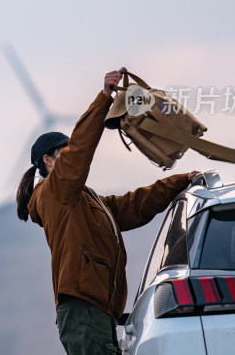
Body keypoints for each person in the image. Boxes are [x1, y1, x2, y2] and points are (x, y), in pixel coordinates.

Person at [15, 68, 200, 355]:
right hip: (84, 311)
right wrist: (103, 99)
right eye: (63, 153)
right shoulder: (53, 192)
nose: (71, 155)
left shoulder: (83, 199)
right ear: (48, 161)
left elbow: (131, 206)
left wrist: (177, 182)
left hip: (97, 313)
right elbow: (81, 149)